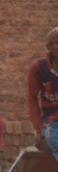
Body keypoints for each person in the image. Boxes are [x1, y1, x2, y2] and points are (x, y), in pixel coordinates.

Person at [28, 28, 58, 156]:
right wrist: (38, 131)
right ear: (49, 47)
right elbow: (31, 98)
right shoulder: (39, 68)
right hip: (52, 121)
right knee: (55, 141)